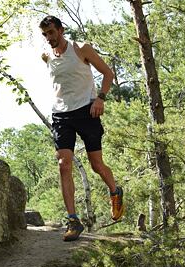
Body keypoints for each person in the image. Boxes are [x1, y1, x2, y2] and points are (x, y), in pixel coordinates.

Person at [39, 15, 124, 242]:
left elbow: (108, 73)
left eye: (51, 32)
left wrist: (100, 99)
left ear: (61, 30)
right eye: (45, 34)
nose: (49, 38)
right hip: (61, 115)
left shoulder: (81, 49)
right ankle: (73, 220)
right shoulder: (46, 56)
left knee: (96, 165)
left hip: (87, 110)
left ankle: (115, 191)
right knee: (63, 164)